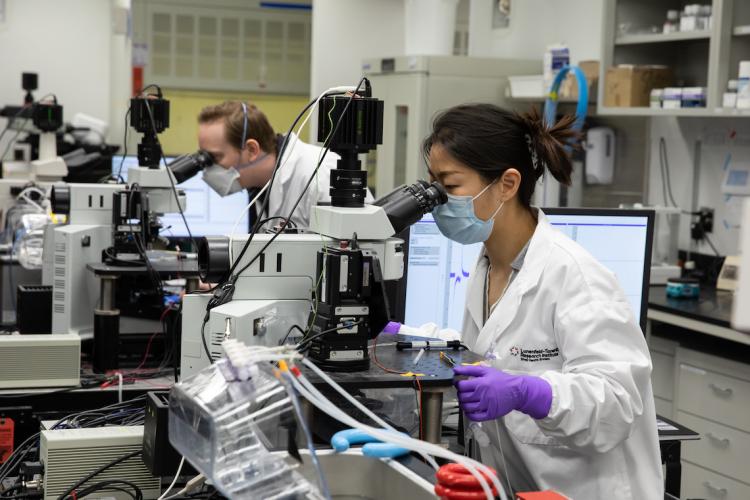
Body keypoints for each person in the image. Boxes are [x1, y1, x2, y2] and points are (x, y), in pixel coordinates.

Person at [423, 104, 662, 499]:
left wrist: (530, 393)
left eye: (449, 187)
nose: (437, 201)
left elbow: (618, 403)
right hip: (523, 488)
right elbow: (497, 351)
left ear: (507, 184)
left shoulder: (575, 276)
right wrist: (411, 338)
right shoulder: (488, 265)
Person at [197, 100, 339, 229]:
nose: (208, 167)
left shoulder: (321, 175)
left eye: (215, 157)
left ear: (252, 150)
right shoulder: (259, 188)